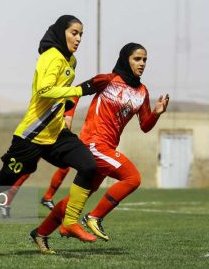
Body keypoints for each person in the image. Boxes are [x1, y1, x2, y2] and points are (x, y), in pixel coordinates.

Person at [0, 15, 101, 247]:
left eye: (81, 34)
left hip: (56, 134)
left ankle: (70, 221)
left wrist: (70, 105)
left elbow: (60, 95)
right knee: (5, 180)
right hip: (31, 135)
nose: (79, 38)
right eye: (74, 32)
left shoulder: (71, 61)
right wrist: (81, 90)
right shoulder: (50, 56)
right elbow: (44, 90)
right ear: (61, 32)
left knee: (89, 166)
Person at [29, 42, 169, 254]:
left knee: (72, 202)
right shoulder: (108, 80)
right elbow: (75, 93)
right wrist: (68, 116)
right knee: (133, 178)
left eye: (145, 60)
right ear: (125, 59)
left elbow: (145, 126)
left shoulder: (142, 92)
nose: (142, 64)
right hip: (93, 143)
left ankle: (40, 233)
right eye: (137, 59)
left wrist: (156, 113)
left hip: (107, 148)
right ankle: (94, 217)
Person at [0, 114, 73, 218]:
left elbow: (67, 123)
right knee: (24, 172)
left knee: (65, 167)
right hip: (39, 139)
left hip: (51, 139)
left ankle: (48, 197)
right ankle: (5, 202)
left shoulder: (67, 102)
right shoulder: (52, 102)